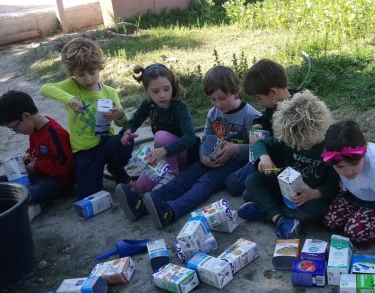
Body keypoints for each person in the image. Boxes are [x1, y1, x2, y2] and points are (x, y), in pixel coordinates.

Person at [137, 66, 261, 228]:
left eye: (222, 98)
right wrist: (203, 157)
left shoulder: (252, 116)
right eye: (213, 99)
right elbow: (206, 138)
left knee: (205, 182)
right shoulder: (212, 113)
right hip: (212, 158)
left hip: (236, 163)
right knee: (187, 176)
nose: (218, 104)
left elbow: (260, 148)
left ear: (235, 91)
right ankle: (147, 202)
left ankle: (171, 211)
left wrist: (236, 149)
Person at [238, 90, 338, 240]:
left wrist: (314, 193)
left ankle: (268, 211)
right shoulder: (290, 138)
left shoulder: (329, 148)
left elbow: (333, 187)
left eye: (305, 140)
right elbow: (260, 143)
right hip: (285, 189)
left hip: (309, 198)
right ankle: (279, 218)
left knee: (316, 212)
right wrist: (264, 157)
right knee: (252, 182)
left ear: (318, 128)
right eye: (295, 141)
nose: (300, 144)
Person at [40, 38, 130, 199]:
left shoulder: (109, 92)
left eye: (92, 72)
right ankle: (93, 172)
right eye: (81, 74)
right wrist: (70, 99)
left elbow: (123, 123)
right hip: (84, 151)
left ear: (99, 67)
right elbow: (45, 89)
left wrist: (120, 114)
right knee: (89, 196)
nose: (88, 79)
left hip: (106, 142)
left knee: (126, 140)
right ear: (72, 73)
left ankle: (116, 168)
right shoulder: (71, 86)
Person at [113, 63, 197, 221]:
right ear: (147, 91)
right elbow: (134, 121)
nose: (162, 95)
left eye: (166, 89)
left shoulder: (179, 106)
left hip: (184, 154)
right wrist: (127, 131)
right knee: (141, 186)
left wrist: (164, 150)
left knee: (161, 136)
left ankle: (172, 174)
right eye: (155, 91)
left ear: (172, 86)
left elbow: (190, 137)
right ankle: (136, 200)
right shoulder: (149, 104)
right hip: (163, 155)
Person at [225, 59, 297, 197]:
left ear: (273, 92)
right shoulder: (275, 103)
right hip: (264, 156)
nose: (258, 101)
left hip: (277, 165)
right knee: (232, 183)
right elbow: (264, 118)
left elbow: (285, 149)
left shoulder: (293, 114)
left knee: (242, 190)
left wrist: (264, 154)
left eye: (259, 98)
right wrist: (257, 126)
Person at [0, 90, 74, 205]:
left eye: (15, 128)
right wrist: (28, 157)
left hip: (57, 181)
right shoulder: (33, 129)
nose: (17, 132)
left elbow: (66, 166)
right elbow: (36, 151)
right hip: (38, 176)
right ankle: (13, 199)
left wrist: (37, 166)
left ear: (26, 116)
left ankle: (13, 202)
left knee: (30, 192)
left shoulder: (55, 133)